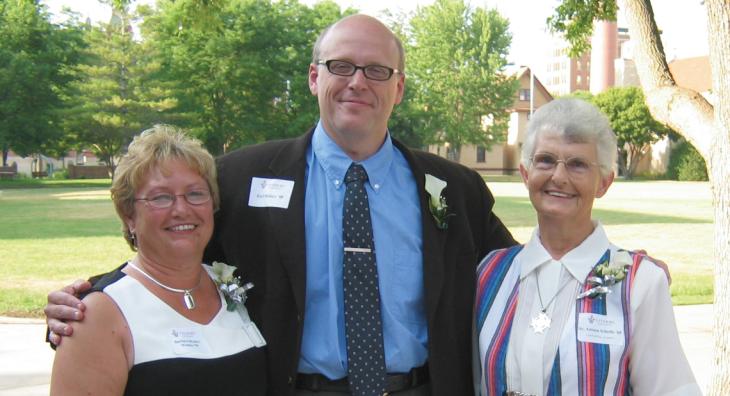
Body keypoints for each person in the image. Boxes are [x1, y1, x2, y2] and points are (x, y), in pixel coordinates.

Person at [46, 14, 516, 395]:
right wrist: (95, 299)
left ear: (399, 87)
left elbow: (517, 275)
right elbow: (175, 240)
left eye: (377, 70)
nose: (358, 82)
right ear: (314, 77)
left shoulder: (452, 188)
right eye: (341, 66)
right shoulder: (240, 177)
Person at [473, 98, 700, 395]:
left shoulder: (640, 283)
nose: (559, 176)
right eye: (545, 160)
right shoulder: (489, 273)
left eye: (577, 164)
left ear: (604, 183)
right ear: (526, 174)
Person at [50, 126, 267, 395]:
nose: (182, 209)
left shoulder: (231, 286)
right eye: (161, 197)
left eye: (196, 194)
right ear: (129, 215)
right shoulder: (100, 314)